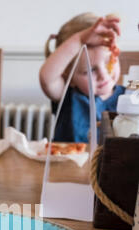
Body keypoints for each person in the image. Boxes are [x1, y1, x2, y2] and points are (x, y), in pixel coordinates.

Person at [39, 13, 125, 142]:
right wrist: (80, 40)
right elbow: (46, 78)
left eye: (109, 62)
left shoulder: (130, 96)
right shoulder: (66, 95)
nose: (103, 75)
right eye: (90, 71)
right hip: (67, 161)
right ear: (69, 76)